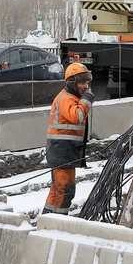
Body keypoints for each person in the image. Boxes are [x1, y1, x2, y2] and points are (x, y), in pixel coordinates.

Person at [43, 62, 94, 215]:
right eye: (82, 82)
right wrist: (86, 100)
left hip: (64, 151)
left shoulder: (72, 98)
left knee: (58, 188)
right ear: (72, 83)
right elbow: (77, 116)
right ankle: (57, 222)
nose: (86, 86)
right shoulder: (66, 99)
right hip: (61, 151)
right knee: (66, 189)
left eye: (87, 82)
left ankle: (47, 220)